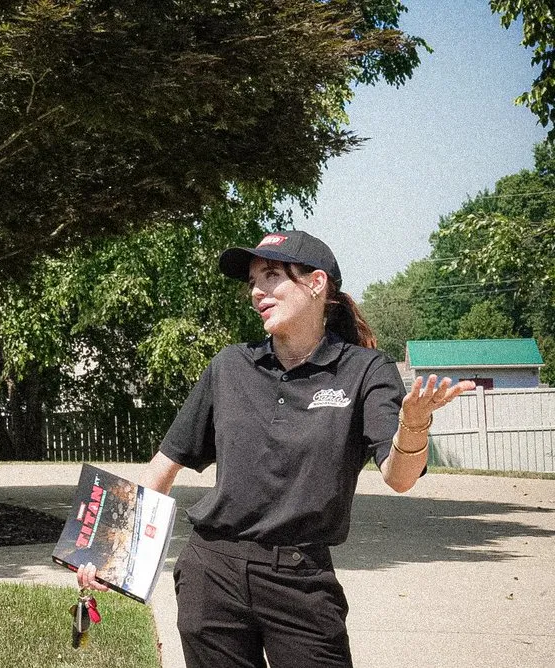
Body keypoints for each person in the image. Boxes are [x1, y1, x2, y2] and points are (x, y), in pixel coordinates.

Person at [78, 230, 475, 667]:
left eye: (271, 276)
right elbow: (165, 465)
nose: (256, 292)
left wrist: (414, 424)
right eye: (253, 281)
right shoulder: (229, 366)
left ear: (316, 283)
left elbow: (399, 478)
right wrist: (110, 556)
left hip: (301, 581)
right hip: (212, 573)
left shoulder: (365, 370)